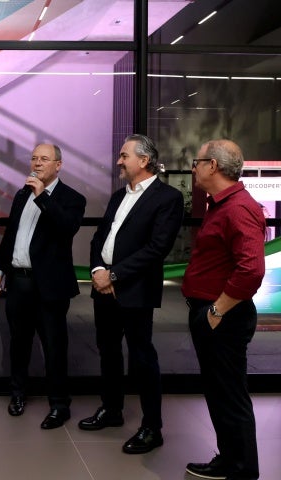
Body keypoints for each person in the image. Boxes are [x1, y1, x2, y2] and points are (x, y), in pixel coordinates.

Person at [80, 134, 184, 454]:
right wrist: (98, 269)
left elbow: (157, 248)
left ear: (144, 160)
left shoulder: (168, 198)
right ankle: (112, 410)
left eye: (124, 156)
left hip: (135, 290)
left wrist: (114, 275)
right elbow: (99, 238)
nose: (118, 162)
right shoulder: (117, 196)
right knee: (108, 351)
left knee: (142, 358)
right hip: (104, 287)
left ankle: (152, 428)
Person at [182, 140, 265, 480]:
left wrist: (216, 312)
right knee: (219, 393)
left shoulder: (239, 208)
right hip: (214, 314)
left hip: (224, 316)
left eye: (197, 161)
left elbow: (251, 270)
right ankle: (230, 460)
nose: (194, 168)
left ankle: (242, 470)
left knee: (229, 395)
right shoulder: (221, 204)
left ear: (213, 166)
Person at [0, 143, 86, 429]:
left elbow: (67, 227)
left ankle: (59, 405)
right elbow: (11, 235)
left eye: (44, 159)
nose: (37, 163)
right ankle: (18, 394)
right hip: (19, 282)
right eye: (34, 158)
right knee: (18, 344)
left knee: (54, 347)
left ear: (58, 165)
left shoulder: (72, 198)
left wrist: (42, 195)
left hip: (50, 287)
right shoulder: (22, 194)